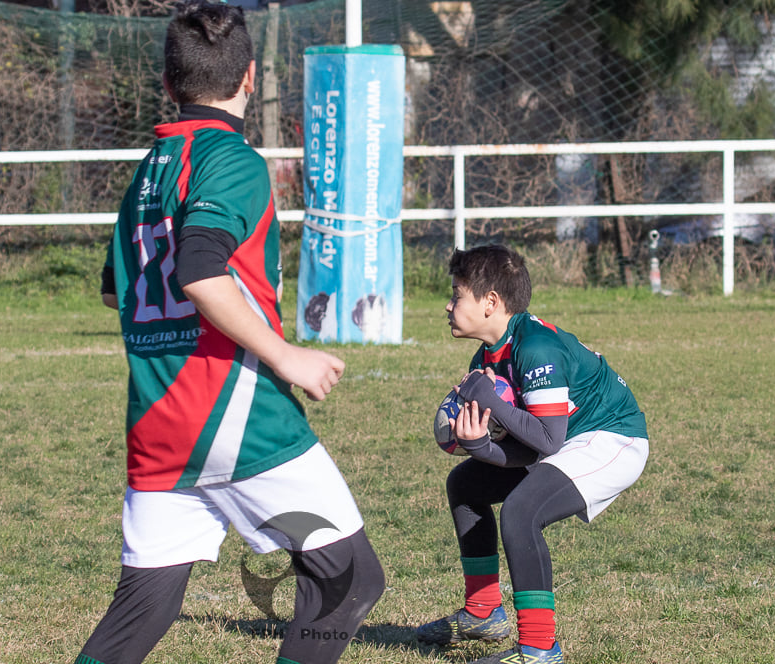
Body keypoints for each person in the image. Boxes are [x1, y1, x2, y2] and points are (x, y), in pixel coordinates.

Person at [79, 3, 383, 664]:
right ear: (250, 77)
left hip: (159, 421)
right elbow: (198, 269)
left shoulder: (149, 170)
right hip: (232, 413)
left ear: (168, 86)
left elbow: (114, 288)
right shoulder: (233, 160)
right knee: (350, 578)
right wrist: (284, 354)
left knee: (145, 606)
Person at [416, 244, 648, 664]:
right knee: (466, 483)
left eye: (456, 294)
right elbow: (529, 448)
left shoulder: (535, 347)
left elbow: (548, 439)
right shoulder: (488, 354)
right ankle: (483, 613)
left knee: (522, 511)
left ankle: (539, 650)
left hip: (611, 438)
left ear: (490, 302)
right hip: (564, 440)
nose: (447, 305)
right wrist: (479, 445)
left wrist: (493, 404)